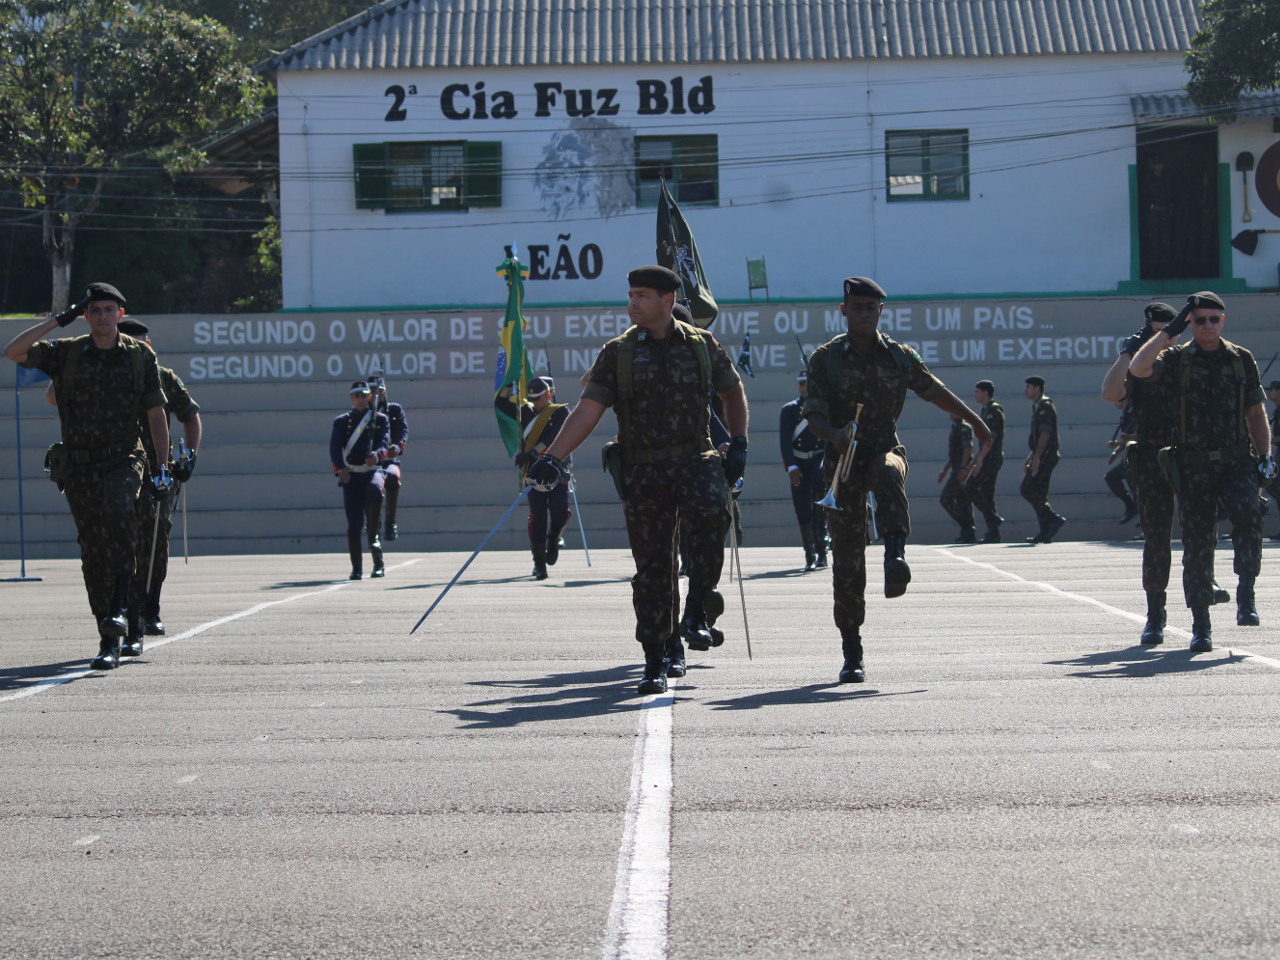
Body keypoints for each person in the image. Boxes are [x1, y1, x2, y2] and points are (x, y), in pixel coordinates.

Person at [527, 265, 748, 695]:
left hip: (695, 457)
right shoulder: (618, 352)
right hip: (643, 468)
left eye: (642, 296)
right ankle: (656, 657)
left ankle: (699, 607)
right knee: (653, 567)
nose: (632, 303)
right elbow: (588, 411)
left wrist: (738, 442)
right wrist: (553, 456)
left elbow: (732, 392)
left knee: (712, 517)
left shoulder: (703, 346)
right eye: (630, 295)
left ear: (667, 301)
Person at [803, 277, 992, 683]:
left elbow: (934, 392)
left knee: (889, 472)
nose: (865, 314)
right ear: (844, 310)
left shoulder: (899, 356)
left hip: (883, 446)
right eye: (857, 307)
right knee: (847, 563)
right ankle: (852, 651)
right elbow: (813, 414)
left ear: (881, 312)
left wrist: (975, 421)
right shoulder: (827, 358)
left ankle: (895, 554)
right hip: (841, 462)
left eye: (871, 308)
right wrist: (834, 434)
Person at [4, 283, 169, 670]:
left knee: (118, 515)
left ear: (120, 315)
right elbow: (13, 351)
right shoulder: (69, 353)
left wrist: (161, 468)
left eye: (109, 310)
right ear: (85, 315)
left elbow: (157, 415)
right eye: (94, 310)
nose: (102, 317)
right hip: (79, 465)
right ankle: (109, 637)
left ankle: (121, 613)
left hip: (123, 458)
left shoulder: (138, 357)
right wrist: (57, 320)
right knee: (93, 553)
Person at [1129, 292, 1273, 650]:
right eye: (1199, 320)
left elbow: (1256, 413)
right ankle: (1201, 626)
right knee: (1197, 545)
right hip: (1193, 464)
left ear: (1223, 320)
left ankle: (1246, 592)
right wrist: (1167, 333)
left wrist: (1265, 455)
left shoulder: (1241, 358)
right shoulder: (1177, 359)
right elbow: (1139, 369)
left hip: (1237, 459)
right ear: (1189, 323)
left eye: (1214, 319)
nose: (1207, 325)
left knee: (1248, 515)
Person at [495, 375, 572, 579]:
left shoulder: (560, 412)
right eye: (533, 398)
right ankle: (539, 563)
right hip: (534, 473)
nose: (536, 402)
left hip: (556, 471)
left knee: (560, 512)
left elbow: (554, 436)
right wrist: (508, 385)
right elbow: (500, 404)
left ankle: (554, 539)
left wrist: (531, 453)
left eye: (540, 398)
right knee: (537, 519)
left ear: (549, 394)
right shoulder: (525, 412)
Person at [330, 380, 390, 580]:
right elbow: (334, 448)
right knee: (354, 524)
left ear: (369, 397)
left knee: (373, 501)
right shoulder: (341, 422)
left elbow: (384, 442)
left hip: (372, 471)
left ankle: (378, 564)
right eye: (357, 396)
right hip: (352, 474)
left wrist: (378, 455)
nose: (361, 399)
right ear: (351, 398)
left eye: (364, 396)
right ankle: (356, 568)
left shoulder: (379, 419)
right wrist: (340, 470)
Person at [779, 369, 827, 570]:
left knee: (820, 506)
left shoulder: (825, 407)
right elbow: (785, 441)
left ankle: (822, 553)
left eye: (807, 383)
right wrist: (791, 466)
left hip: (818, 459)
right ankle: (809, 554)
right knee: (802, 508)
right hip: (799, 461)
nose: (804, 387)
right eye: (801, 383)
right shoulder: (789, 410)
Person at [1021, 375, 1066, 543]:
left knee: (1028, 488)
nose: (1025, 391)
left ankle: (1053, 520)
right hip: (1041, 455)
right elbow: (1039, 435)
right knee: (1039, 492)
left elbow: (1046, 433)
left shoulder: (1045, 406)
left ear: (1037, 388)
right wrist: (1031, 456)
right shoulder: (1038, 406)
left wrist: (1037, 457)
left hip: (1046, 456)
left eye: (1028, 387)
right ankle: (1045, 530)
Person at [369, 374, 408, 542]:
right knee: (373, 488)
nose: (375, 394)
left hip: (387, 460)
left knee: (393, 476)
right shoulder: (361, 414)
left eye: (379, 390)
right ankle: (373, 525)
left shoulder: (393, 410)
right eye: (371, 391)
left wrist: (397, 447)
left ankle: (390, 523)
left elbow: (402, 433)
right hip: (368, 464)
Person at [966, 380, 1005, 542]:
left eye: (977, 391)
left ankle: (992, 519)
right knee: (988, 494)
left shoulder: (994, 410)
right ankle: (993, 532)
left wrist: (980, 460)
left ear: (985, 392)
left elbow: (992, 438)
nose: (975, 394)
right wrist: (974, 461)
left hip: (991, 458)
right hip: (986, 456)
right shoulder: (985, 410)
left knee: (970, 486)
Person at [937, 413, 975, 543]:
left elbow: (967, 448)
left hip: (961, 470)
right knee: (962, 501)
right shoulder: (956, 427)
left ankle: (966, 526)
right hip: (956, 469)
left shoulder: (964, 427)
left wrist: (963, 468)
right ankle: (968, 531)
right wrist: (945, 470)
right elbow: (954, 455)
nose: (949, 413)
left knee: (946, 498)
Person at [1103, 400, 1139, 525]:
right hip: (1130, 457)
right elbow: (1127, 438)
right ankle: (1131, 506)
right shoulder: (1126, 413)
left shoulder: (1134, 410)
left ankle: (1141, 511)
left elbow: (1140, 434)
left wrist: (1123, 441)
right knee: (1111, 477)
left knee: (1133, 481)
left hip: (1140, 457)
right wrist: (1116, 451)